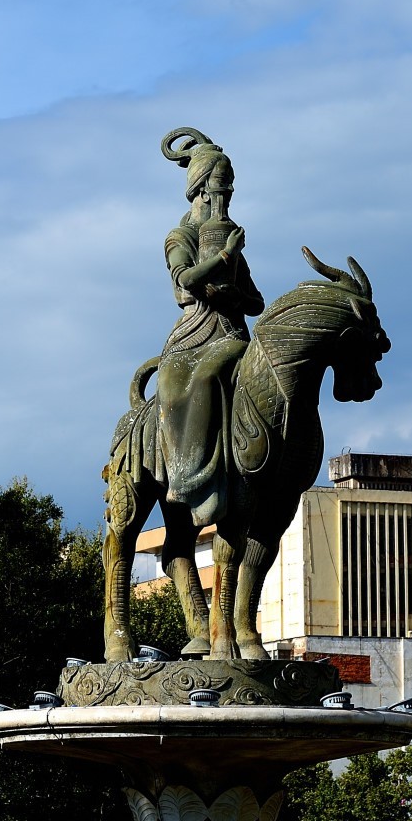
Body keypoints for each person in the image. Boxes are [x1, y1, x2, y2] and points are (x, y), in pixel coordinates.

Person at [154, 129, 264, 527]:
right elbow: (185, 279)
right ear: (200, 189)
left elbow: (256, 301)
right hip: (191, 334)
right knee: (185, 381)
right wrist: (223, 256)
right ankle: (190, 478)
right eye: (220, 190)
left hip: (230, 333)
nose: (226, 199)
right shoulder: (179, 235)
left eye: (229, 192)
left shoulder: (231, 238)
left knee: (226, 375)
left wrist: (233, 295)